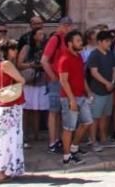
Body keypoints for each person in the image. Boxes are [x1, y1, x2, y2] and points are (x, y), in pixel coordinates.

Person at [0, 39, 26, 182]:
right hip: (9, 106)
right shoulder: (6, 64)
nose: (15, 52)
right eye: (13, 49)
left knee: (5, 138)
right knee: (6, 139)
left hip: (5, 105)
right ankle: (0, 171)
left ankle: (3, 169)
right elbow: (21, 79)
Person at [56, 30, 94, 167]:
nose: (81, 43)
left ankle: (74, 148)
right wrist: (71, 99)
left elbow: (81, 76)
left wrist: (88, 91)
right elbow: (63, 81)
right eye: (77, 41)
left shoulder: (78, 57)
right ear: (70, 43)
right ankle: (67, 157)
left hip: (81, 96)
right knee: (68, 127)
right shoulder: (64, 59)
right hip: (69, 98)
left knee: (87, 122)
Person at [41, 16, 74, 154]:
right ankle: (52, 141)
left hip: (66, 80)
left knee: (62, 111)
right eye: (65, 25)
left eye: (69, 25)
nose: (67, 28)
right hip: (56, 80)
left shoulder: (67, 40)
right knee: (54, 111)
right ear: (60, 26)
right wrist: (53, 77)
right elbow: (44, 60)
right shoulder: (55, 39)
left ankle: (60, 139)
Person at [87, 30, 115, 149]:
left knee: (105, 115)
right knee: (95, 116)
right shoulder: (94, 55)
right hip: (98, 90)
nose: (109, 43)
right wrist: (106, 83)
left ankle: (104, 138)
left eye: (110, 41)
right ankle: (93, 140)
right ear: (99, 42)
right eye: (106, 41)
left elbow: (114, 68)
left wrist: (113, 82)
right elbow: (94, 72)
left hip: (109, 90)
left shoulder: (110, 53)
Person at [16, 26, 47, 143]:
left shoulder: (44, 48)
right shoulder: (27, 47)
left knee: (37, 109)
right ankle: (24, 133)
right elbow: (19, 64)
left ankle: (36, 134)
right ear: (34, 36)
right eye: (39, 34)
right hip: (29, 81)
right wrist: (32, 65)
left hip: (40, 80)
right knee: (26, 109)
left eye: (43, 34)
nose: (42, 36)